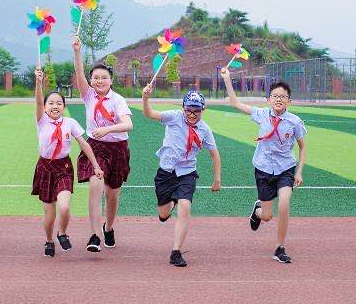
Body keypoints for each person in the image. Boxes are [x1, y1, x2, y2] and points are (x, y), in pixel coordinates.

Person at [221, 68, 306, 263]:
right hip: (263, 169)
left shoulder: (295, 122)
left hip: (285, 168)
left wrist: (299, 172)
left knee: (284, 204)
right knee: (267, 215)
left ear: (289, 101)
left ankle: (280, 248)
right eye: (275, 96)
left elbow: (302, 148)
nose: (278, 99)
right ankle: (257, 212)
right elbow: (235, 103)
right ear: (268, 99)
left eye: (283, 97)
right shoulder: (260, 114)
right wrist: (227, 80)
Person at [142, 84, 221, 267]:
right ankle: (171, 202)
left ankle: (176, 251)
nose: (192, 114)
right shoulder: (174, 117)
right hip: (166, 172)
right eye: (189, 110)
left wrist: (217, 179)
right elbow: (149, 114)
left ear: (203, 110)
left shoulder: (204, 129)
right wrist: (146, 98)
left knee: (185, 207)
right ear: (183, 108)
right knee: (163, 214)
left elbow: (215, 154)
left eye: (197, 111)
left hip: (187, 173)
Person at [32, 68, 104, 257]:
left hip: (63, 167)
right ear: (45, 107)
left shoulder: (70, 123)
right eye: (51, 103)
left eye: (59, 103)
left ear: (63, 106)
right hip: (45, 167)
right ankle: (49, 240)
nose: (54, 106)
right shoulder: (42, 121)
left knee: (64, 206)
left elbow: (84, 144)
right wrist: (39, 83)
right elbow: (38, 101)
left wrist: (96, 165)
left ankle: (62, 232)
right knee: (49, 215)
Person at [72, 37, 133, 252]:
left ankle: (109, 227)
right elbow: (79, 75)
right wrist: (77, 52)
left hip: (117, 149)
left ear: (111, 81)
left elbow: (128, 124)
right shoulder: (88, 95)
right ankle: (95, 235)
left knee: (112, 195)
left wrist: (107, 128)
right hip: (95, 147)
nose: (99, 81)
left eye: (103, 78)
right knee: (95, 187)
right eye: (95, 78)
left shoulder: (118, 100)